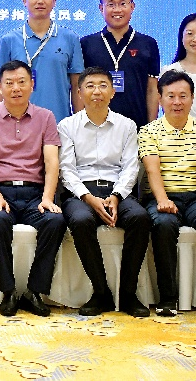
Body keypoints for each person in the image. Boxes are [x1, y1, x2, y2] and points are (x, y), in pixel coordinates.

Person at [0, 60, 66, 317]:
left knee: (55, 221)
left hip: (35, 194)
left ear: (32, 85)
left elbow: (52, 162)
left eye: (22, 82)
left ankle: (35, 291)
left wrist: (48, 197)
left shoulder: (46, 117)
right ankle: (8, 291)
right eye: (9, 83)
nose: (16, 88)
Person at [58, 67, 151, 317]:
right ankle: (101, 293)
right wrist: (88, 198)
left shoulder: (127, 126)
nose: (96, 91)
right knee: (80, 220)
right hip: (81, 192)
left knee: (140, 218)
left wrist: (117, 196)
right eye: (89, 86)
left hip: (116, 190)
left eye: (102, 85)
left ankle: (128, 294)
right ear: (79, 93)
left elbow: (131, 167)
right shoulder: (66, 126)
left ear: (112, 91)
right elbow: (67, 170)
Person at [139, 69, 196, 318]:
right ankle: (168, 298)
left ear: (192, 98)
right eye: (171, 96)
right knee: (163, 224)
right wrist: (162, 200)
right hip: (162, 195)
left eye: (183, 96)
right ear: (160, 99)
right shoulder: (148, 131)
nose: (177, 102)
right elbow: (152, 170)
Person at [0, 0, 84, 120]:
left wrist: (79, 123)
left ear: (54, 1)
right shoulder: (9, 40)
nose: (40, 1)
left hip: (59, 121)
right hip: (17, 123)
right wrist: (1, 122)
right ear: (25, 0)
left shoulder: (70, 38)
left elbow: (76, 85)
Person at [80, 0, 160, 130]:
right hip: (95, 127)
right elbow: (80, 88)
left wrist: (150, 129)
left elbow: (152, 89)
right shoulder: (86, 44)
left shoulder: (148, 43)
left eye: (123, 4)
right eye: (111, 4)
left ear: (132, 6)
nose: (117, 10)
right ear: (101, 8)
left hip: (137, 127)